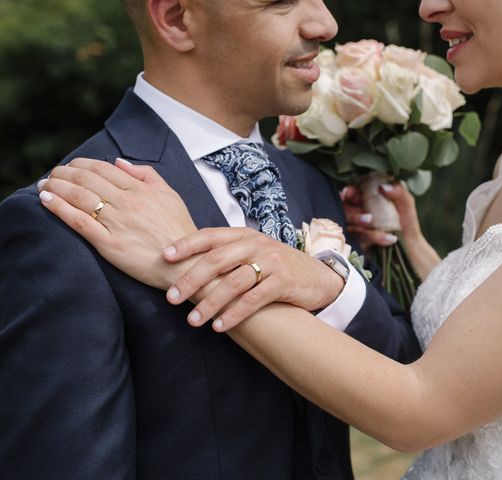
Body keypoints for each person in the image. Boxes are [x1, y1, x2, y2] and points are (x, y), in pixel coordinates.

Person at [30, 0, 502, 478]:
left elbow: (422, 403)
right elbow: (482, 342)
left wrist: (187, 261)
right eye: (280, 0)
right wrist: (397, 260)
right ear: (175, 18)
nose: (427, 7)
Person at [0, 0, 420, 478]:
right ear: (177, 19)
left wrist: (330, 287)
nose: (326, 23)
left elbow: (403, 365)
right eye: (281, 2)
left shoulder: (312, 183)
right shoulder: (63, 220)